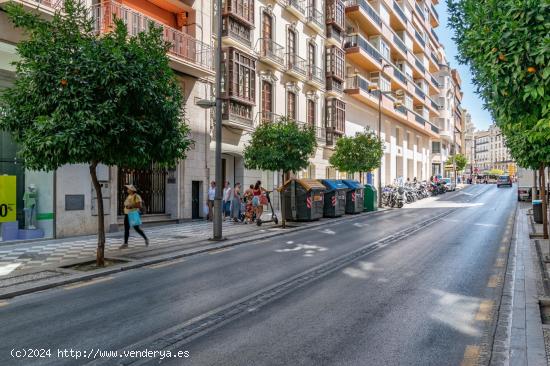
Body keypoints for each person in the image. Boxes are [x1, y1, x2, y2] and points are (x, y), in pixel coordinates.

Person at [120, 184, 148, 249]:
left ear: (131, 190)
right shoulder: (129, 196)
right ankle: (125, 243)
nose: (127, 190)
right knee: (126, 229)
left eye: (128, 189)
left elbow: (139, 205)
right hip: (127, 214)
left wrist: (131, 206)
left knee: (137, 228)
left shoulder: (137, 196)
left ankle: (145, 238)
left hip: (133, 214)